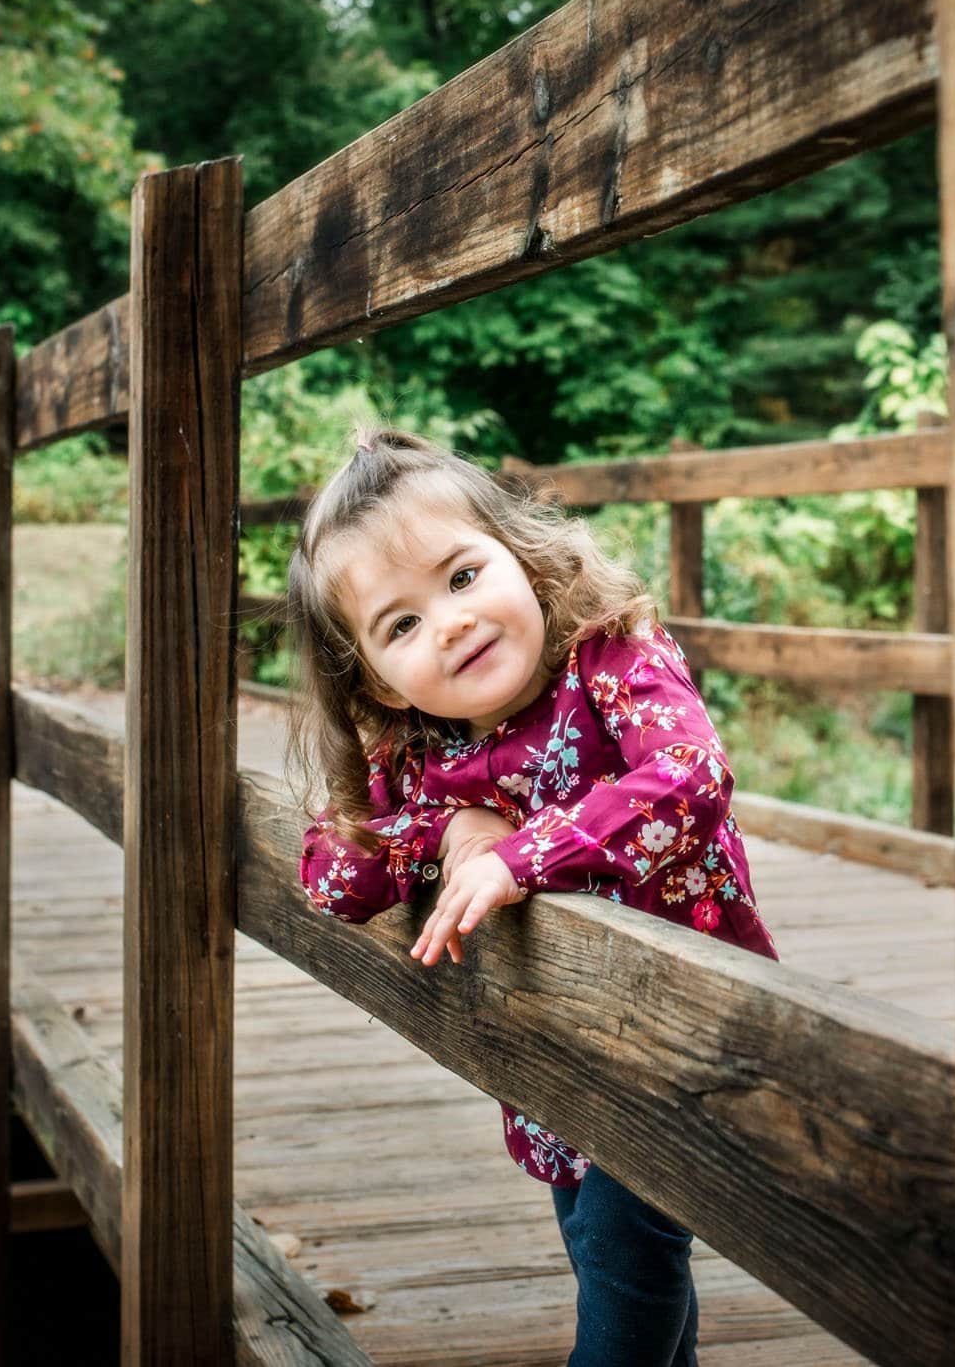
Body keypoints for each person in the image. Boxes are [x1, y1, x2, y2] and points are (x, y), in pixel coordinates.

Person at [285, 426, 779, 1367]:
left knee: (622, 1253)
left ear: (523, 552)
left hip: (676, 1027)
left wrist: (521, 855)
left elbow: (690, 773)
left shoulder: (610, 657)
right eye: (401, 624)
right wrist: (447, 828)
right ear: (377, 681)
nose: (452, 622)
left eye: (463, 575)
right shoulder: (426, 752)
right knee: (608, 1260)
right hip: (547, 1042)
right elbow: (333, 876)